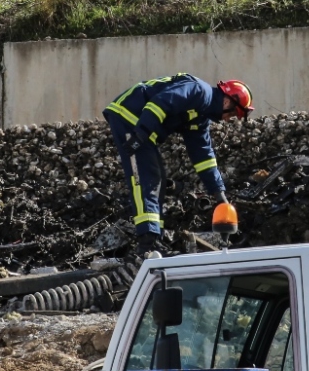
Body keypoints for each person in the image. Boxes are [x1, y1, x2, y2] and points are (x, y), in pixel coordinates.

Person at [102, 74, 253, 256]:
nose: (228, 119)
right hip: (129, 117)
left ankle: (154, 238)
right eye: (233, 114)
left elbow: (203, 155)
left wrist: (219, 193)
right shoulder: (199, 91)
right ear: (228, 101)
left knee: (157, 178)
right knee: (145, 177)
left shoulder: (200, 117)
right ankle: (147, 244)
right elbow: (160, 103)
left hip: (140, 124)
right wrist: (141, 134)